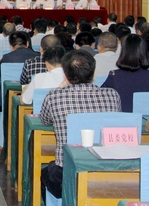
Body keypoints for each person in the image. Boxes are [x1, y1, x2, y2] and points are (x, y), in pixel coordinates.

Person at [40, 51, 121, 201]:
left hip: (66, 172)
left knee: (45, 173)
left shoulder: (54, 96)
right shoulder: (112, 95)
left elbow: (44, 120)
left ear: (65, 74)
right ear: (93, 73)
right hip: (105, 170)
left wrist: (61, 86)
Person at [0, 32, 37, 148]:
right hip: (33, 96)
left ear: (11, 46)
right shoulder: (38, 56)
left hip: (6, 96)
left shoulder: (7, 57)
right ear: (27, 43)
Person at [101, 34, 149, 112]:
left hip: (122, 119)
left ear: (123, 52)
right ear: (144, 52)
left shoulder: (114, 76)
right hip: (148, 119)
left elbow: (102, 100)